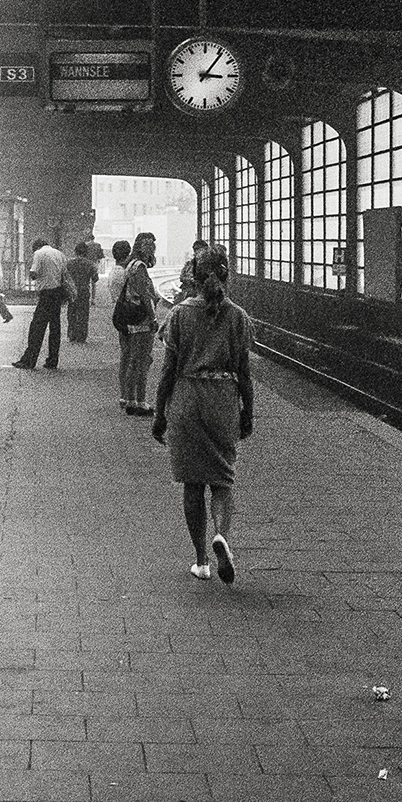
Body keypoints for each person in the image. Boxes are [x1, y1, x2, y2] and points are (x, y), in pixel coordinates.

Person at [151, 245, 254, 585]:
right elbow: (244, 373)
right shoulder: (238, 316)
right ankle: (221, 534)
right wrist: (248, 412)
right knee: (222, 479)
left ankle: (201, 561)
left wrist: (159, 413)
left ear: (193, 277)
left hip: (187, 397)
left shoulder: (179, 315)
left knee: (192, 483)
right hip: (222, 398)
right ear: (228, 276)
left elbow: (168, 370)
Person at [116, 233, 161, 415]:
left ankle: (129, 398)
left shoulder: (130, 265)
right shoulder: (140, 267)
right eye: (149, 246)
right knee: (142, 360)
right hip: (141, 319)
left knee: (132, 359)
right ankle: (140, 402)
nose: (152, 249)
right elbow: (145, 295)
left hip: (131, 317)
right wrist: (153, 317)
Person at [12, 237, 70, 370]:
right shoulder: (59, 254)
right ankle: (53, 360)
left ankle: (29, 360)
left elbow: (33, 273)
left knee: (37, 328)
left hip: (46, 294)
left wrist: (33, 270)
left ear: (36, 247)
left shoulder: (39, 254)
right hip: (57, 293)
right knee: (55, 328)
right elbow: (64, 273)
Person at [65, 241, 99, 344]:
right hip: (84, 291)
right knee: (83, 314)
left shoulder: (69, 263)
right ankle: (82, 336)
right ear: (86, 252)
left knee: (72, 313)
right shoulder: (90, 264)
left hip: (72, 291)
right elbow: (95, 278)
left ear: (75, 251)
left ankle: (72, 334)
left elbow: (64, 277)